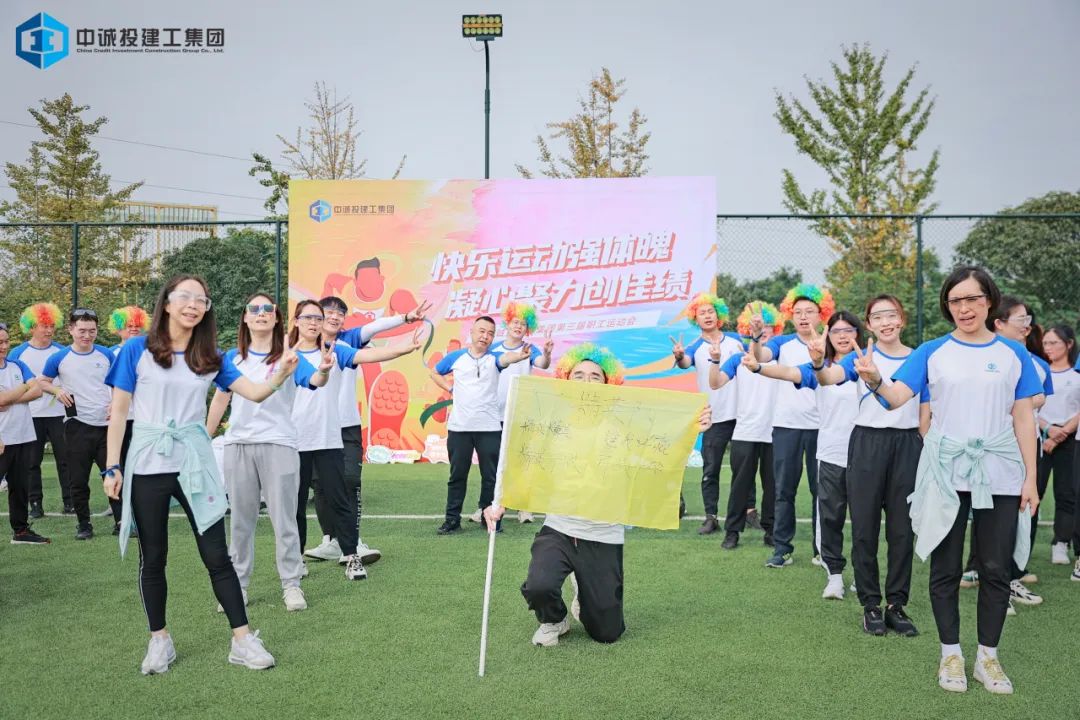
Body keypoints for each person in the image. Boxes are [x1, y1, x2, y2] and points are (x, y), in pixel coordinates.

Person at [850, 266, 1040, 695]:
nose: (964, 308)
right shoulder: (932, 351)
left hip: (1000, 473)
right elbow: (896, 397)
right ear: (947, 306)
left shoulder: (1014, 354)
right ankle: (950, 654)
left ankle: (988, 658)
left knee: (995, 569)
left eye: (972, 299)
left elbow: (1024, 417)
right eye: (955, 301)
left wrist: (1030, 478)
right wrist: (875, 378)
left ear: (989, 301)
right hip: (946, 473)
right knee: (945, 568)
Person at [103, 274, 293, 675]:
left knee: (217, 555)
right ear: (167, 303)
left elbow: (255, 392)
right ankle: (159, 640)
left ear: (206, 310)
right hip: (149, 462)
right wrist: (112, 465)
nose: (193, 305)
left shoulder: (211, 357)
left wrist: (280, 375)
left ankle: (242, 640)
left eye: (201, 300)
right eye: (185, 297)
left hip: (194, 463)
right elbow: (118, 412)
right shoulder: (137, 349)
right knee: (153, 557)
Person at [484, 343, 711, 646]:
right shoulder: (552, 426)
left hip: (604, 533)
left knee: (607, 633)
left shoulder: (624, 428)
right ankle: (554, 619)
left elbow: (657, 455)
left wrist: (693, 428)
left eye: (595, 376)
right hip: (560, 528)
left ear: (608, 384)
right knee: (540, 586)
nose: (587, 382)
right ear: (566, 381)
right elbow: (522, 463)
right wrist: (498, 502)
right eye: (578, 375)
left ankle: (585, 595)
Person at [806, 295, 926, 636]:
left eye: (891, 315)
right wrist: (818, 362)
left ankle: (896, 605)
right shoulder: (859, 356)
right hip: (866, 443)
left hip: (907, 445)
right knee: (864, 528)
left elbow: (926, 409)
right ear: (869, 324)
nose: (885, 322)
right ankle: (871, 605)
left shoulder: (920, 357)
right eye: (877, 317)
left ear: (901, 319)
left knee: (901, 530)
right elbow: (828, 377)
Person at [206, 294, 333, 612]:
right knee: (241, 522)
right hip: (238, 445)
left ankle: (291, 584)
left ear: (276, 318)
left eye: (268, 309)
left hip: (279, 444)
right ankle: (238, 586)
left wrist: (325, 370)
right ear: (245, 317)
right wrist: (205, 437)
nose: (261, 313)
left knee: (285, 520)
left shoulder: (289, 356)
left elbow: (314, 380)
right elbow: (221, 399)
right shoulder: (231, 358)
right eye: (254, 309)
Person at [289, 299, 422, 579]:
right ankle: (302, 555)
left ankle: (352, 554)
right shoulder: (286, 355)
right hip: (296, 438)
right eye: (311, 317)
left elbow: (369, 350)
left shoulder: (338, 348)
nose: (317, 322)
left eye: (320, 317)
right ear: (296, 321)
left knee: (342, 492)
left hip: (331, 436)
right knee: (298, 501)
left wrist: (404, 345)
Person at [744, 311, 862, 603]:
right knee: (823, 510)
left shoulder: (868, 363)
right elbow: (788, 372)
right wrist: (758, 367)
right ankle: (830, 571)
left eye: (849, 330)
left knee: (863, 516)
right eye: (837, 331)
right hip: (828, 449)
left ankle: (862, 573)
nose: (843, 336)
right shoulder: (816, 364)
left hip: (866, 452)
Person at [959, 296, 1052, 609]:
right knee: (983, 512)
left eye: (1028, 320)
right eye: (1020, 320)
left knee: (1020, 513)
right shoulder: (974, 355)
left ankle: (1011, 577)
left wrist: (1026, 403)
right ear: (998, 323)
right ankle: (981, 572)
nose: (1027, 326)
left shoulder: (1033, 362)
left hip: (1022, 447)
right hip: (987, 449)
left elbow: (1037, 400)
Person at [748, 284, 836, 567]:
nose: (803, 316)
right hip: (786, 426)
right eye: (797, 312)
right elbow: (760, 357)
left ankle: (822, 549)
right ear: (790, 315)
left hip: (823, 428)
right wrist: (756, 337)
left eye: (809, 311)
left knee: (821, 492)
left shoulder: (832, 343)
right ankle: (782, 549)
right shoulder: (782, 343)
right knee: (783, 490)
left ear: (821, 314)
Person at [431, 315, 531, 535]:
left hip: (489, 428)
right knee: (457, 476)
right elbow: (435, 372)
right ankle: (452, 520)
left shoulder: (494, 359)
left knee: (491, 477)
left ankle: (491, 520)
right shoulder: (457, 357)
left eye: (490, 334)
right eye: (482, 331)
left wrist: (519, 356)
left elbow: (507, 359)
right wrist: (449, 388)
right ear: (472, 332)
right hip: (460, 428)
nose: (485, 336)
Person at [470, 302, 552, 525]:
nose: (518, 326)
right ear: (508, 324)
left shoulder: (530, 350)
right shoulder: (493, 349)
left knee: (520, 462)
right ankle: (486, 507)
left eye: (523, 324)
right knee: (492, 466)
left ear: (528, 328)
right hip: (492, 416)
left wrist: (546, 354)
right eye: (515, 322)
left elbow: (542, 363)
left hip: (519, 416)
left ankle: (523, 507)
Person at [709, 301, 782, 548]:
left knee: (773, 486)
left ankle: (771, 531)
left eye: (768, 326)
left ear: (775, 329)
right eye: (758, 325)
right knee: (740, 485)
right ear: (747, 329)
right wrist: (715, 361)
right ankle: (732, 532)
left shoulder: (781, 358)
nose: (764, 329)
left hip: (776, 432)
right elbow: (715, 383)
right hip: (745, 432)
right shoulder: (738, 359)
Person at [38, 309, 116, 540]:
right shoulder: (59, 358)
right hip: (76, 426)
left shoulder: (106, 354)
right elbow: (42, 382)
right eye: (82, 331)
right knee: (78, 479)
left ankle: (121, 521)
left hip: (107, 426)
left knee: (112, 474)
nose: (87, 335)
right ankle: (84, 525)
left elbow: (120, 383)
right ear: (71, 330)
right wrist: (57, 390)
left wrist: (115, 403)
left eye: (92, 331)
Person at [672, 293, 744, 535]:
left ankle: (750, 512)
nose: (707, 316)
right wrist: (679, 356)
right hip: (713, 416)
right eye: (701, 313)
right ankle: (711, 517)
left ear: (718, 315)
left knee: (744, 468)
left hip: (742, 414)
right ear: (696, 319)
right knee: (710, 470)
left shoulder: (736, 340)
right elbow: (685, 361)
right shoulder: (695, 347)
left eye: (710, 311)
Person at [9, 302, 68, 518]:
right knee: (32, 463)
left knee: (65, 460)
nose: (49, 330)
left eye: (52, 325)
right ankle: (35, 504)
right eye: (44, 326)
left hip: (59, 414)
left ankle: (70, 502)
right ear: (32, 327)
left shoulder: (62, 351)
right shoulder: (18, 353)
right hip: (31, 415)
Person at [0, 320, 48, 544]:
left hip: (23, 436)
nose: (4, 346)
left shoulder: (18, 365)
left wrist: (11, 397)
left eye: (6, 341)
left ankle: (20, 531)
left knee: (20, 487)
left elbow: (37, 390)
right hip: (2, 438)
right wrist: (24, 387)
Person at [106, 306, 151, 535]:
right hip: (120, 419)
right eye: (128, 325)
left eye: (137, 324)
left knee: (142, 467)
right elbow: (104, 383)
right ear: (118, 328)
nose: (133, 328)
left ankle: (142, 508)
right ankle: (121, 513)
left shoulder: (149, 350)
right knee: (119, 464)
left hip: (142, 419)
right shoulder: (109, 353)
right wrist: (110, 403)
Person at [1037, 325, 1079, 567]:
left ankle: (1061, 543)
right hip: (1041, 438)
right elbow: (1030, 407)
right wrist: (1048, 431)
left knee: (1066, 494)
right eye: (1045, 343)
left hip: (1069, 440)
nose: (1048, 348)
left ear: (1069, 344)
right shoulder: (1040, 372)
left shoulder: (1077, 374)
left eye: (1054, 343)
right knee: (1034, 491)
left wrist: (1062, 433)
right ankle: (1019, 548)